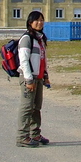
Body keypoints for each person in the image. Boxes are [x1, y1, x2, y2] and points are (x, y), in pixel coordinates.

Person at [16, 10, 51, 148]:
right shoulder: (27, 39)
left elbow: (42, 59)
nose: (40, 22)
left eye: (42, 20)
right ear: (30, 23)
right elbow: (24, 61)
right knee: (26, 107)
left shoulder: (40, 39)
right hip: (29, 78)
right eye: (36, 20)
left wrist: (46, 76)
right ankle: (22, 137)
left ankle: (35, 133)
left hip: (39, 78)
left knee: (36, 107)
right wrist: (29, 80)